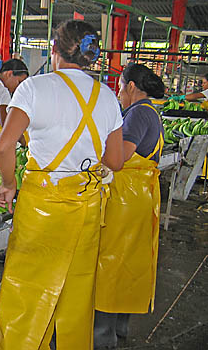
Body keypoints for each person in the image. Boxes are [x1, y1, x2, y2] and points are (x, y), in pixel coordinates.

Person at [0, 20, 124, 350]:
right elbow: (117, 161)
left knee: (26, 293)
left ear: (54, 50)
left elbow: (5, 146)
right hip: (87, 206)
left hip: (41, 207)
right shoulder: (106, 96)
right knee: (75, 294)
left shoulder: (35, 88)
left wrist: (8, 184)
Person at [94, 63, 165, 349]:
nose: (119, 92)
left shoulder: (137, 114)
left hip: (125, 198)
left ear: (131, 86)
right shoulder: (150, 112)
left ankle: (101, 337)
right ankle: (119, 328)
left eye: (121, 86)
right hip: (139, 197)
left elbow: (119, 158)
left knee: (110, 264)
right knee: (127, 262)